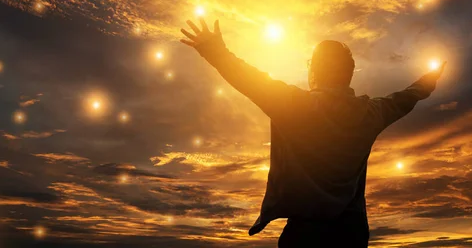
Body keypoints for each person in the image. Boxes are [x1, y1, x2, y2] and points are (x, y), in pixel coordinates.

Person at [180, 17, 446, 247]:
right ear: (348, 74)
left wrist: (215, 51)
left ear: (315, 70)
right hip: (351, 235)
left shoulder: (294, 105)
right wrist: (428, 80)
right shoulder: (371, 112)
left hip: (305, 236)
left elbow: (248, 78)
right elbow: (406, 98)